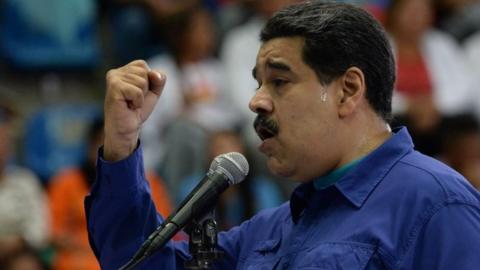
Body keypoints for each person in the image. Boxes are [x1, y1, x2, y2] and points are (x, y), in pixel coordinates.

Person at [86, 1, 480, 269]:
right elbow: (137, 262)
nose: (256, 101)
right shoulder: (270, 229)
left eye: (279, 81)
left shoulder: (438, 205)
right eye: (258, 83)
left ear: (348, 91)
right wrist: (122, 145)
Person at [49, 118, 174, 270]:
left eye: (121, 144)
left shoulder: (151, 182)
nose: (113, 151)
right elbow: (54, 230)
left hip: (137, 257)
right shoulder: (66, 181)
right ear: (90, 145)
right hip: (79, 258)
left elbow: (163, 230)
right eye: (103, 142)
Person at [0, 97, 50, 266]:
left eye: (4, 140)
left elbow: (40, 230)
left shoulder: (25, 181)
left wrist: (18, 241)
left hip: (19, 255)